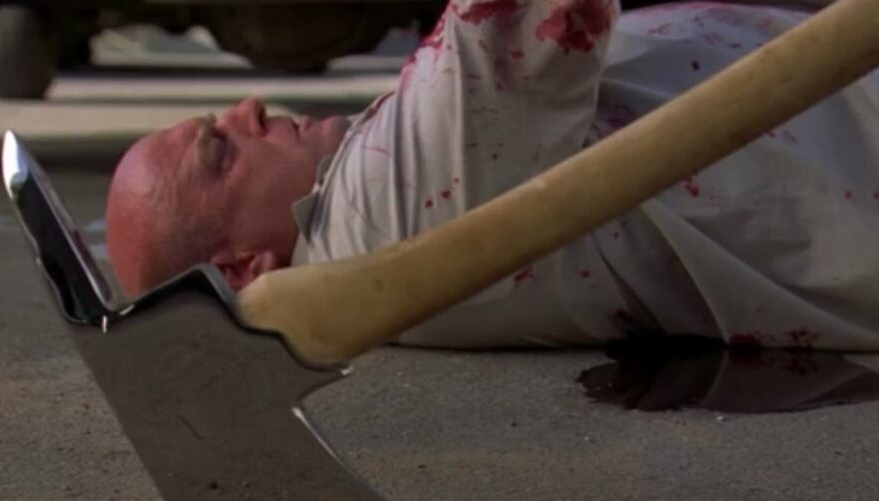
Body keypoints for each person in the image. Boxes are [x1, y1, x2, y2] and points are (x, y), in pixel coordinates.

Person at [106, 0, 879, 351]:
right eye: (221, 149)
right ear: (245, 267)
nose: (247, 107)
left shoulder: (366, 228)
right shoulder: (382, 208)